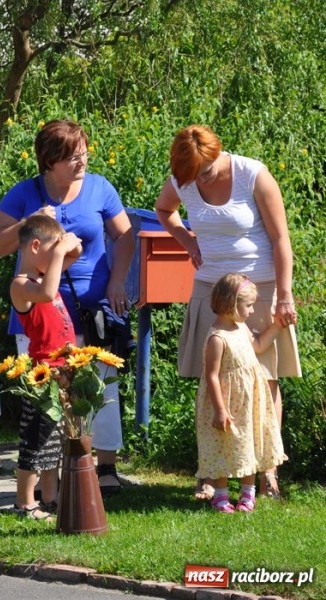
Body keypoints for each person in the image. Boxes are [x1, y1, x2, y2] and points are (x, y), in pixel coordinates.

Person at [0, 120, 135, 496]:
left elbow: (125, 236)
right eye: (72, 157)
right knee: (47, 399)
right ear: (49, 161)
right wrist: (30, 221)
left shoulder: (100, 188)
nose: (81, 162)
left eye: (84, 153)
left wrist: (118, 281)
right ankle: (48, 476)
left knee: (99, 389)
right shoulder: (24, 193)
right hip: (41, 315)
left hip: (91, 309)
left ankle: (103, 466)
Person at [154, 125, 301, 500]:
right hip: (211, 293)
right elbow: (164, 209)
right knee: (211, 382)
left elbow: (281, 238)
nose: (197, 180)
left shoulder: (252, 173)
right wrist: (186, 240)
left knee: (264, 380)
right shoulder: (183, 178)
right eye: (189, 176)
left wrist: (284, 295)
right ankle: (212, 472)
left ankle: (267, 474)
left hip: (260, 290)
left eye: (203, 172)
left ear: (217, 152)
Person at [10, 215, 82, 520]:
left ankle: (50, 499)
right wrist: (57, 253)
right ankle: (25, 502)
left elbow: (75, 253)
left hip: (65, 372)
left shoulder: (45, 273)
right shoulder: (22, 285)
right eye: (53, 250)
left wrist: (66, 244)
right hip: (43, 375)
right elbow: (48, 294)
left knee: (57, 441)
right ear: (36, 247)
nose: (59, 257)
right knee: (36, 440)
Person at [196, 274, 286, 513]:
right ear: (230, 304)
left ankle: (248, 494)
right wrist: (220, 409)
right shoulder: (218, 337)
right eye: (248, 305)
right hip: (226, 402)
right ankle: (221, 496)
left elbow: (257, 346)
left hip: (248, 402)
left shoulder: (241, 327)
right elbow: (212, 375)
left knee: (249, 442)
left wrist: (278, 326)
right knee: (223, 445)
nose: (252, 310)